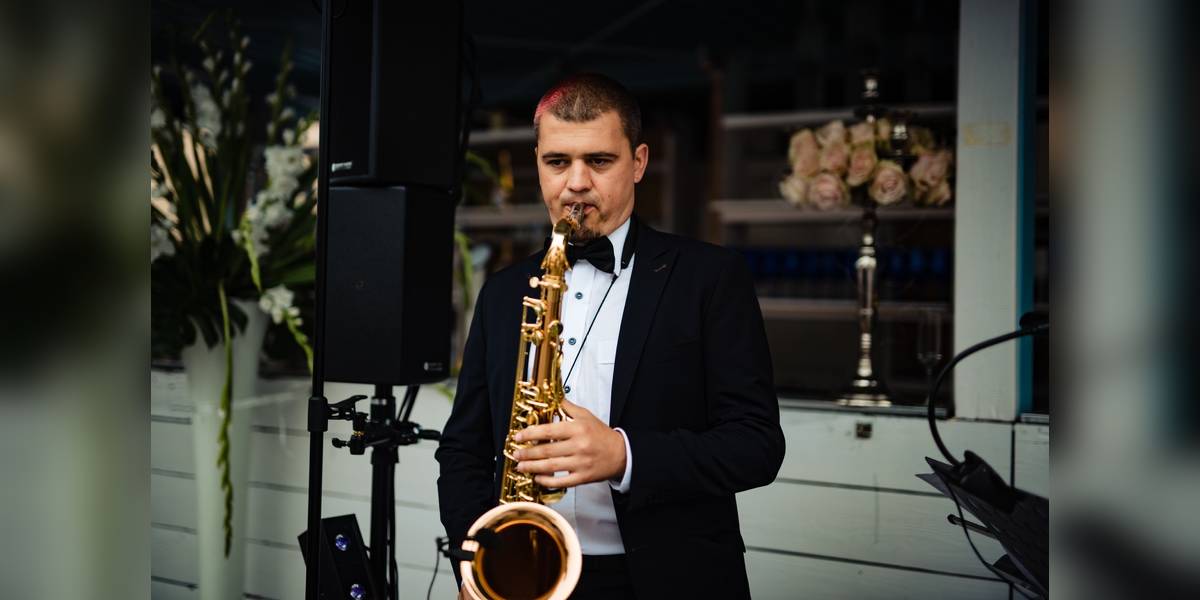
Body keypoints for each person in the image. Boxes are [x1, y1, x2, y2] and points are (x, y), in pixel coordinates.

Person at [436, 73, 784, 599]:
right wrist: (476, 560)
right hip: (528, 577)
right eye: (557, 162)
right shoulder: (503, 291)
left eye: (599, 161)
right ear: (538, 163)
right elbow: (463, 450)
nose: (576, 183)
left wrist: (624, 454)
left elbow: (757, 445)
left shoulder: (710, 277)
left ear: (638, 162)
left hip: (672, 580)